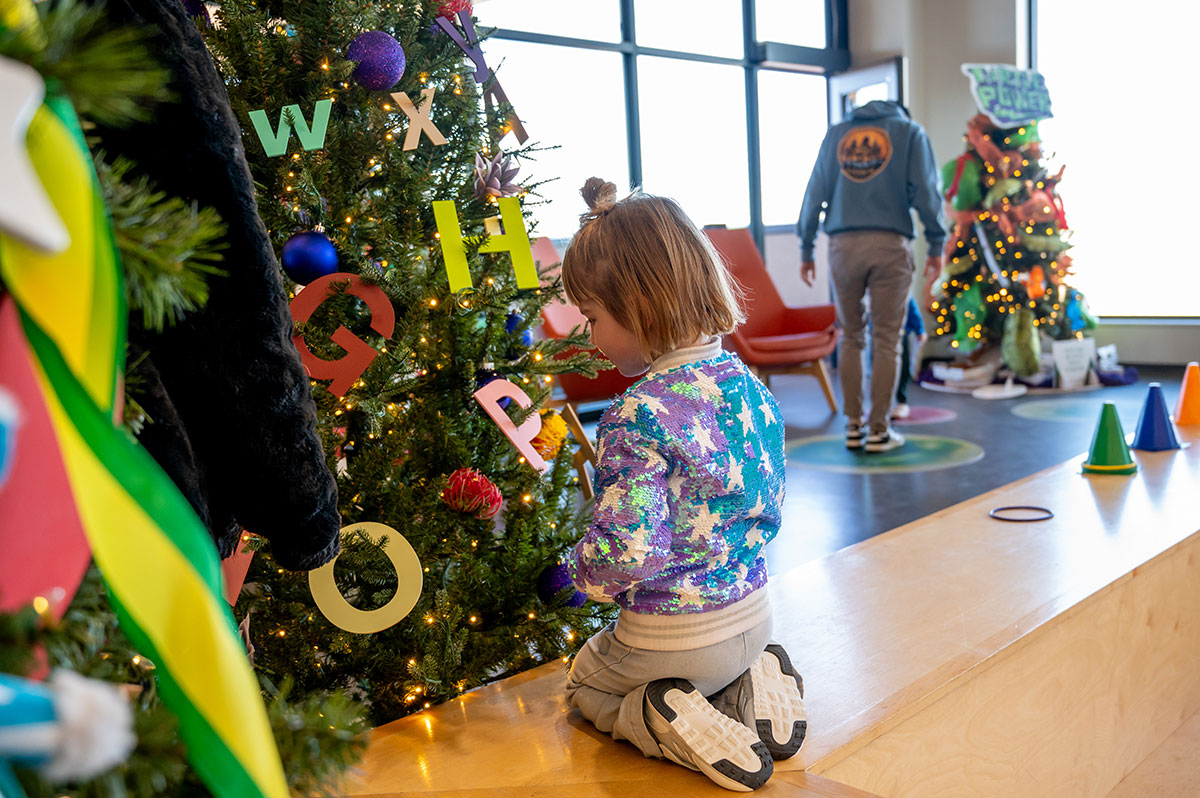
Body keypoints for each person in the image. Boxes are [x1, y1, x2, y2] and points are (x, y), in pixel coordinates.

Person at [560, 178, 806, 792]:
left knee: (586, 682)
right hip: (756, 613)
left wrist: (579, 574)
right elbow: (771, 499)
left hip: (671, 637)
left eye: (592, 318)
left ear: (639, 308)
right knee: (716, 665)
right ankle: (749, 679)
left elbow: (630, 551)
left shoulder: (637, 412)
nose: (590, 337)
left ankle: (655, 714)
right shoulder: (748, 385)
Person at [798, 99, 945, 452]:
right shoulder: (910, 132)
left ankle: (853, 426)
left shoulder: (837, 134)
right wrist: (936, 245)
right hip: (889, 244)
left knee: (851, 335)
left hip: (842, 246)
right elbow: (927, 192)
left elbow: (814, 192)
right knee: (887, 339)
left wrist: (806, 248)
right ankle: (879, 430)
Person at [892, 295, 927, 420]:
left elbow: (912, 310)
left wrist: (920, 330)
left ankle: (901, 401)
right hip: (879, 337)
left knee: (902, 370)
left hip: (901, 336)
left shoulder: (904, 294)